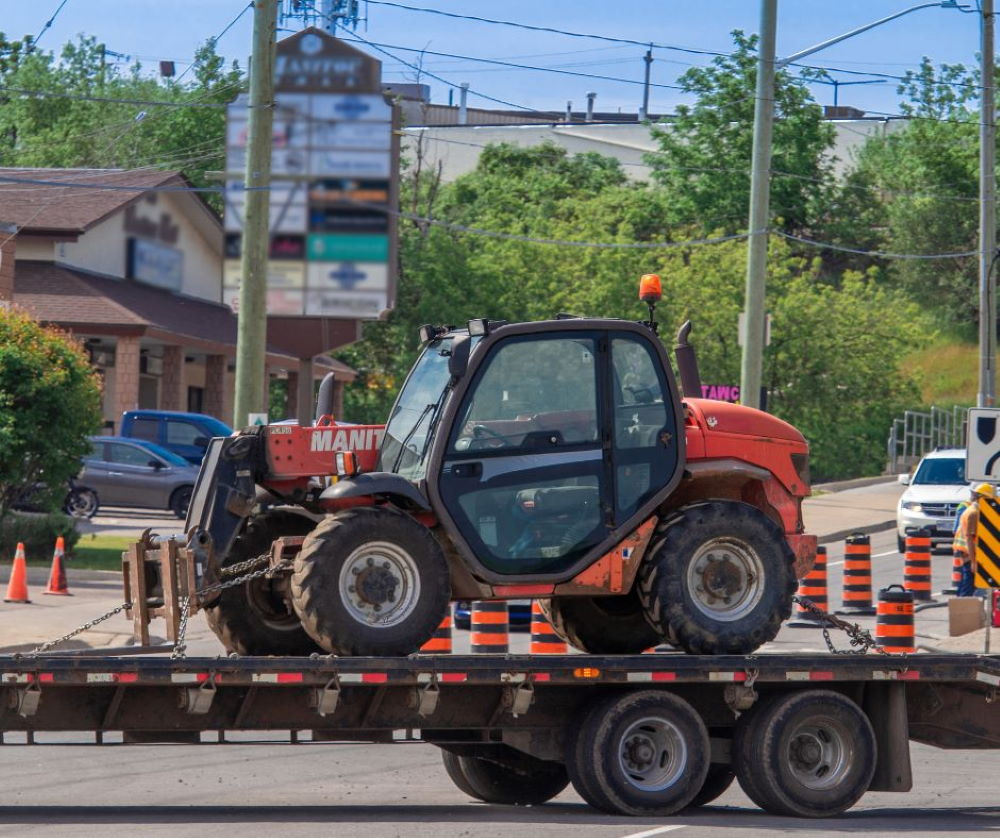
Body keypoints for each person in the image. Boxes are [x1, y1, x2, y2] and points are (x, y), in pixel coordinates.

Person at [953, 483, 996, 597]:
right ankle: (963, 607)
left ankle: (961, 605)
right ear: (982, 498)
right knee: (968, 584)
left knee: (966, 582)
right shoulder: (974, 513)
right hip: (968, 552)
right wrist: (973, 561)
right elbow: (970, 539)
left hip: (968, 551)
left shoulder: (975, 510)